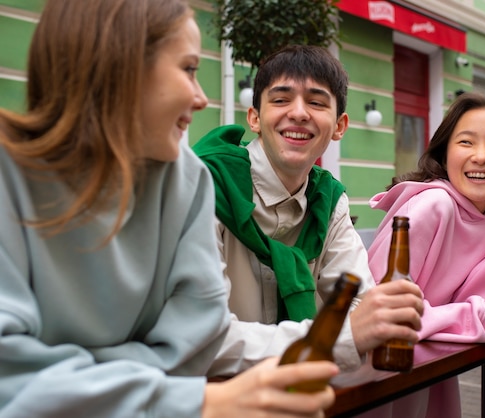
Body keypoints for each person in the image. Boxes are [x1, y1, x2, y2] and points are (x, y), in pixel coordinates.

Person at [0, 1, 339, 417]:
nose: (200, 97)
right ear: (120, 65)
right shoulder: (9, 176)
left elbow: (195, 349)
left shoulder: (186, 180)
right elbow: (8, 378)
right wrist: (188, 398)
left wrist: (65, 376)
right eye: (190, 69)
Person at [192, 45, 424, 377]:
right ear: (255, 118)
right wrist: (340, 338)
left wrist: (360, 327)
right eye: (281, 99)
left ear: (339, 126)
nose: (299, 113)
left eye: (316, 102)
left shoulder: (328, 200)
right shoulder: (204, 184)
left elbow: (361, 304)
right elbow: (204, 339)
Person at [364, 92, 485, 418]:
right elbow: (381, 314)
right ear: (444, 153)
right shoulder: (431, 206)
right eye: (466, 142)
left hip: (428, 377)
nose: (481, 156)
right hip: (379, 383)